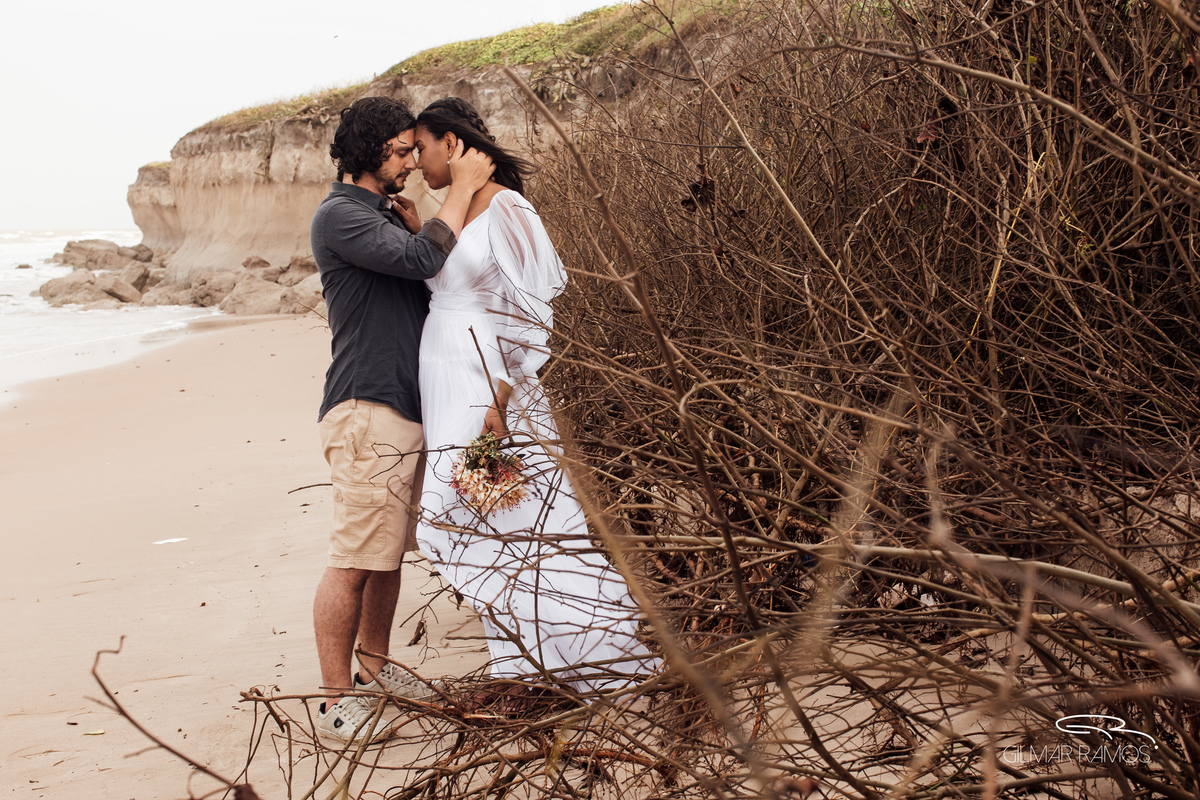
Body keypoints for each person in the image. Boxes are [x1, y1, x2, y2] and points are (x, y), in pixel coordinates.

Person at [410, 97, 661, 695]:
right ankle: (524, 661)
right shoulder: (448, 209)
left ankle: (586, 652)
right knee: (484, 520)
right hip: (444, 379)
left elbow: (531, 316)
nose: (417, 162)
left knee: (513, 512)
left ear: (451, 143)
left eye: (421, 148)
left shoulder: (508, 207)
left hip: (485, 383)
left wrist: (502, 399)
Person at [309, 95, 493, 743]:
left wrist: (420, 226)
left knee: (385, 554)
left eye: (415, 150)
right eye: (399, 152)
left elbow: (424, 280)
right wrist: (462, 192)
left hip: (400, 404)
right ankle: (336, 701)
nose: (412, 163)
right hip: (367, 406)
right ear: (365, 153)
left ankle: (376, 671)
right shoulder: (339, 215)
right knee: (355, 557)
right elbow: (421, 263)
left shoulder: (380, 214)